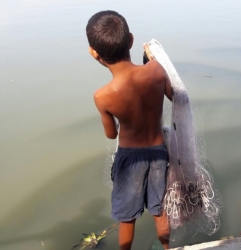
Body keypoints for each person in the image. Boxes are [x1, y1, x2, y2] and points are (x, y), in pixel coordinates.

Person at [86, 10, 172, 250]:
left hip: (129, 158)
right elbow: (173, 95)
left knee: (127, 216)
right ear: (131, 40)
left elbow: (111, 134)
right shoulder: (156, 70)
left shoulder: (103, 96)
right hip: (158, 152)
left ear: (94, 53)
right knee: (159, 209)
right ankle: (167, 248)